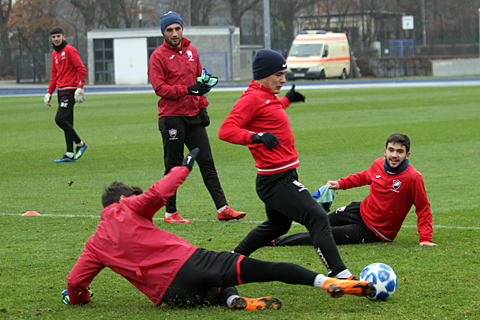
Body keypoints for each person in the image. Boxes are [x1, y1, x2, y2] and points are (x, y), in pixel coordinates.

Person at [62, 148, 374, 311]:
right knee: (270, 269)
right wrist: (183, 167)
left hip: (171, 296)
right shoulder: (126, 205)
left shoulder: (94, 245)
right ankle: (329, 283)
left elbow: (75, 282)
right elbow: (158, 193)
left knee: (215, 287)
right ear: (122, 199)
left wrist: (81, 298)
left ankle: (230, 301)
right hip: (190, 263)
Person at [218, 49, 359, 280]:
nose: (283, 79)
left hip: (284, 175)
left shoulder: (266, 94)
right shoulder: (252, 97)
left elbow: (269, 112)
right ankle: (340, 274)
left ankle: (231, 260)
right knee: (317, 217)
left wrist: (286, 101)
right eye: (278, 75)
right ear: (263, 75)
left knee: (278, 226)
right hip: (275, 180)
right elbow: (226, 131)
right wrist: (255, 137)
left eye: (284, 74)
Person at [147, 11, 244, 224]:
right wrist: (188, 90)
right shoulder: (157, 56)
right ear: (163, 32)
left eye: (177, 28)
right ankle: (170, 213)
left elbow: (201, 83)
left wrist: (203, 107)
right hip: (171, 117)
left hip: (193, 116)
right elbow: (160, 88)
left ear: (182, 28)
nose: (174, 33)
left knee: (207, 162)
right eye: (169, 30)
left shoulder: (192, 51)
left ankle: (222, 208)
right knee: (173, 167)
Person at [269, 133, 438, 247]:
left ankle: (276, 241)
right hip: (360, 210)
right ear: (385, 151)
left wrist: (425, 239)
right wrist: (340, 183)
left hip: (376, 230)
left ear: (407, 155)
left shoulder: (413, 178)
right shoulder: (379, 163)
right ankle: (279, 233)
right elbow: (363, 177)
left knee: (324, 235)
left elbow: (423, 208)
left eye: (400, 152)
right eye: (391, 150)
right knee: (319, 221)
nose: (394, 155)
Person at [44, 26, 88, 163]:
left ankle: (80, 144)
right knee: (67, 121)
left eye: (58, 36)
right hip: (61, 91)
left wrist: (80, 87)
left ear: (64, 37)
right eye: (53, 37)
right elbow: (54, 75)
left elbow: (81, 69)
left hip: (70, 90)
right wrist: (49, 92)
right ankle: (69, 154)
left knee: (60, 119)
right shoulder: (54, 54)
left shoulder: (70, 50)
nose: (56, 39)